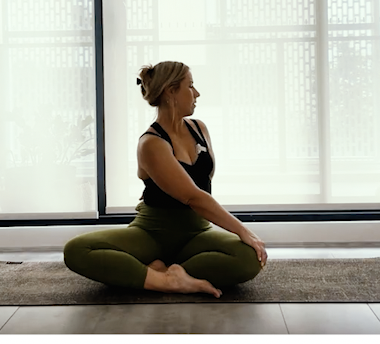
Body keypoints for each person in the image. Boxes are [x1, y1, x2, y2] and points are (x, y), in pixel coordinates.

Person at [63, 61, 267, 297]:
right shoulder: (151, 143)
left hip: (197, 233)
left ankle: (157, 271)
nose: (197, 93)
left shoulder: (199, 129)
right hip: (151, 234)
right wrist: (242, 230)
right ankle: (167, 281)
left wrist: (243, 236)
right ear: (171, 91)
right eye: (190, 86)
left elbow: (204, 183)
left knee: (250, 258)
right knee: (77, 250)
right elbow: (193, 196)